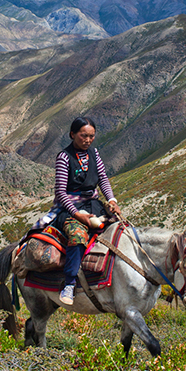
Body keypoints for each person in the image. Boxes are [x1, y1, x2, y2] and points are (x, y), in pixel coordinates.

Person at [52, 116, 122, 305]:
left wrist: (112, 200)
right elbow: (60, 192)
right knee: (77, 235)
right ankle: (70, 283)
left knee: (119, 226)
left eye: (92, 136)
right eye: (84, 136)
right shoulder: (64, 158)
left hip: (93, 204)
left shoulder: (94, 153)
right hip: (70, 208)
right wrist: (77, 215)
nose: (88, 140)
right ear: (72, 134)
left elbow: (103, 179)